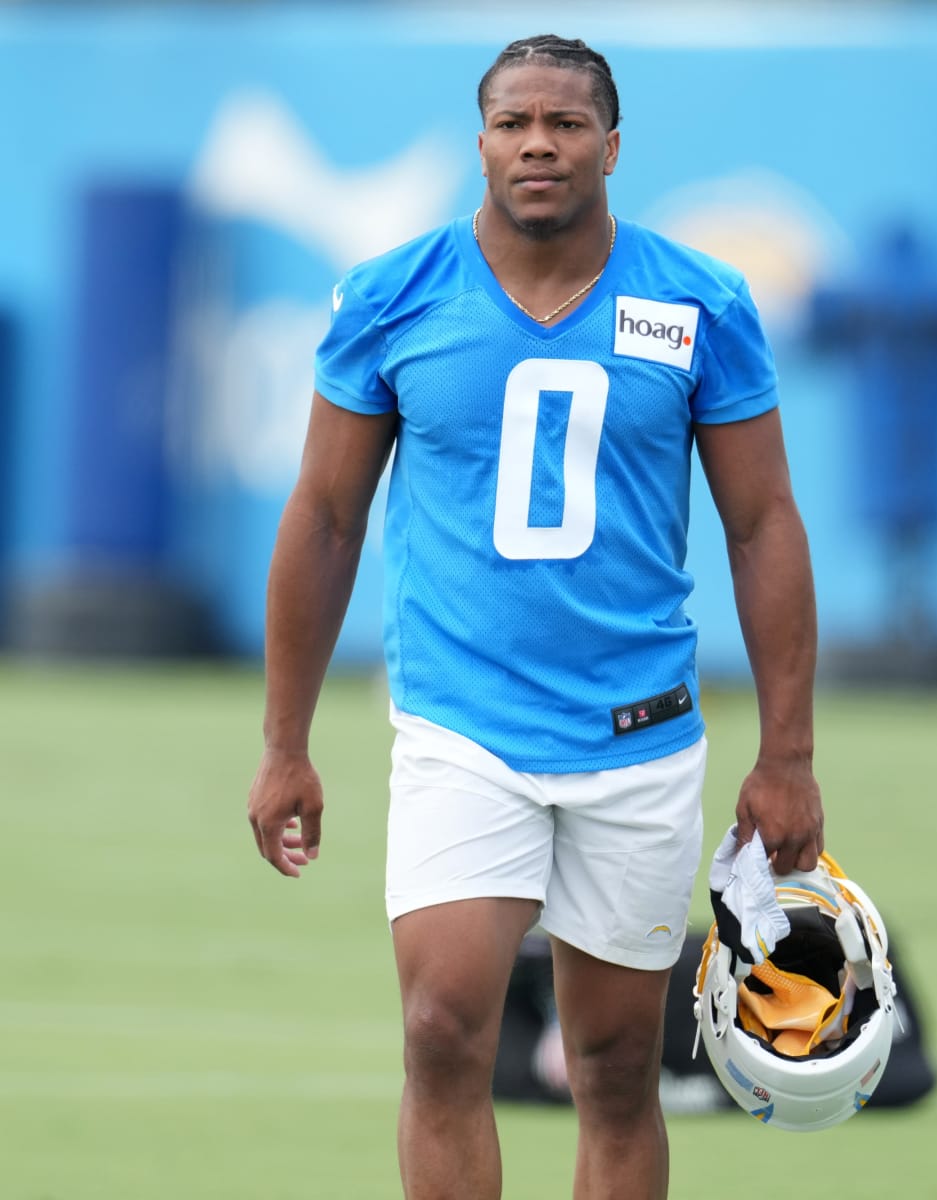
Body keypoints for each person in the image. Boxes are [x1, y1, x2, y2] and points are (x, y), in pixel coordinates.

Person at [246, 33, 823, 1200]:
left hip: (639, 734)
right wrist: (284, 743)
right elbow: (323, 517)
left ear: (612, 145)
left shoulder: (698, 300)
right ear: (482, 143)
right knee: (441, 1027)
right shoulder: (392, 294)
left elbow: (762, 524)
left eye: (565, 124)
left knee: (614, 1068)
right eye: (514, 123)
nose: (539, 145)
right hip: (465, 727)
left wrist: (789, 756)